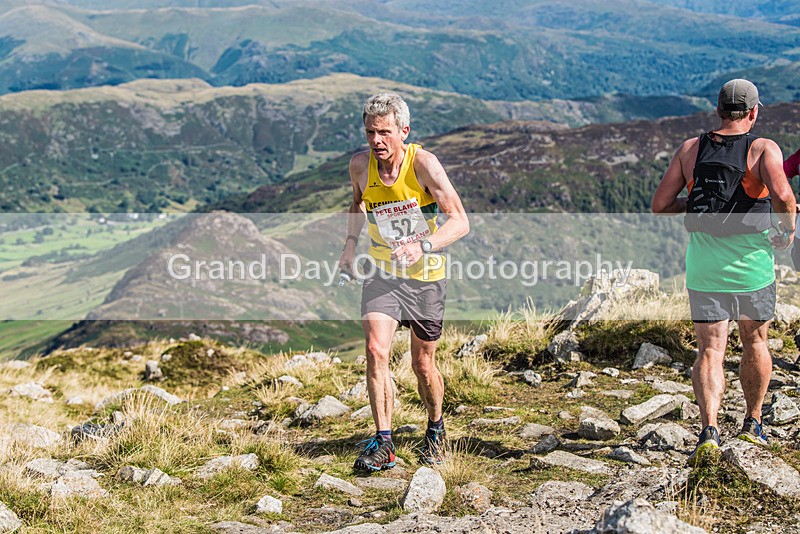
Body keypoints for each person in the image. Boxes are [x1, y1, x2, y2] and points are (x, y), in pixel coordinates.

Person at [652, 79, 796, 464]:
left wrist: (697, 207)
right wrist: (787, 230)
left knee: (710, 349)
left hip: (704, 268)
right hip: (752, 269)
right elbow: (783, 196)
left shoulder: (690, 149)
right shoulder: (763, 148)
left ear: (718, 110)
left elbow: (661, 204)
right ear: (753, 112)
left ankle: (709, 432)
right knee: (756, 343)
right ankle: (752, 424)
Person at [338, 93, 469, 472]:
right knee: (376, 350)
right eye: (370, 133)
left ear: (403, 132)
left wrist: (423, 245)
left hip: (426, 278)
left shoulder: (424, 165)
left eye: (384, 133)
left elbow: (460, 220)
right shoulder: (360, 166)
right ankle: (384, 443)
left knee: (422, 364)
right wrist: (349, 246)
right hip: (382, 272)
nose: (377, 141)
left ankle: (435, 428)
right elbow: (358, 203)